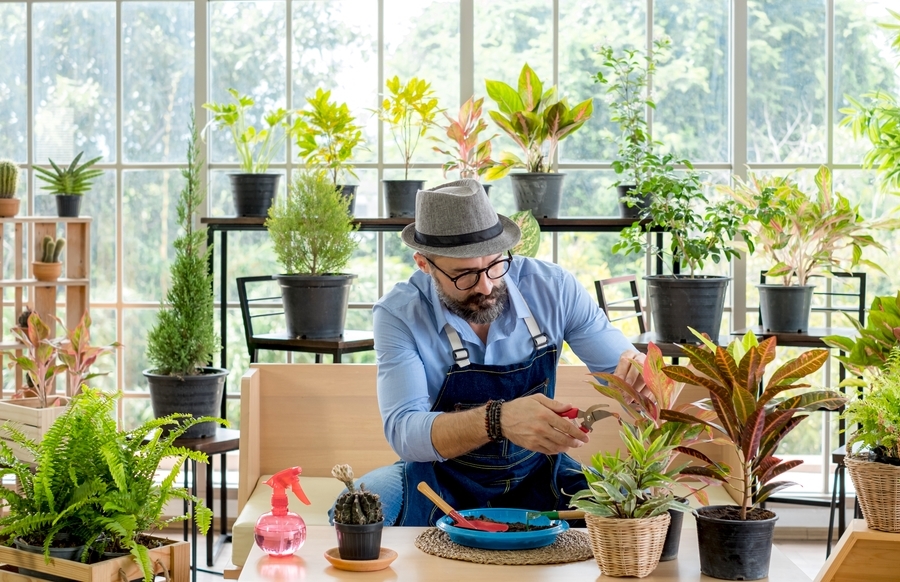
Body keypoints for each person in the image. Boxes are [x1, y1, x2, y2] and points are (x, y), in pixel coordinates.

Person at [339, 179, 646, 527]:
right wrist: (497, 420)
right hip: (438, 476)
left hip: (539, 471)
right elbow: (405, 434)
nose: (485, 286)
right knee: (352, 512)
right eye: (464, 275)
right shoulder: (398, 314)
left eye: (495, 265)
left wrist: (640, 376)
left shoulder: (554, 288)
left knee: (641, 514)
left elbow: (625, 370)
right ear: (424, 264)